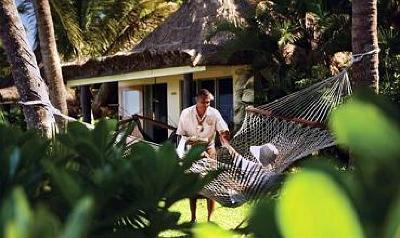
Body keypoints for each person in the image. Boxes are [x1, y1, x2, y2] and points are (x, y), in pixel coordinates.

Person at [176, 89, 230, 222]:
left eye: (208, 102)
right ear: (196, 101)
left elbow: (223, 129)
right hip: (192, 149)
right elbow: (180, 135)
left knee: (211, 185)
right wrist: (182, 152)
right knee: (192, 185)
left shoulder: (214, 113)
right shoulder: (186, 113)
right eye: (203, 102)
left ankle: (210, 220)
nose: (206, 105)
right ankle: (193, 218)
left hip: (209, 148)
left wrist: (224, 134)